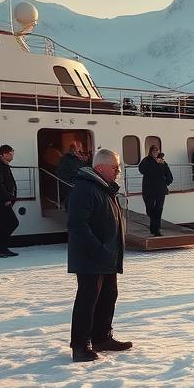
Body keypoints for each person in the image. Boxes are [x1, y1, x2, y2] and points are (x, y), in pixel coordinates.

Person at [67, 148, 131, 362]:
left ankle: (102, 337)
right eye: (115, 167)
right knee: (88, 300)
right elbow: (77, 224)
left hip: (106, 256)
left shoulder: (104, 189)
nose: (118, 171)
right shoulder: (85, 188)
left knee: (108, 296)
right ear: (100, 167)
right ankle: (80, 345)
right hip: (91, 258)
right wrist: (98, 249)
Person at [138, 144, 173, 236]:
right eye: (154, 151)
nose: (155, 153)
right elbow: (141, 169)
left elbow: (169, 176)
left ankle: (156, 229)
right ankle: (154, 227)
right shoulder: (146, 160)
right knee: (150, 209)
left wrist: (165, 183)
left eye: (157, 151)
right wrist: (154, 164)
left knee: (158, 209)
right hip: (148, 189)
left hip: (160, 189)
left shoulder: (162, 162)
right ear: (150, 152)